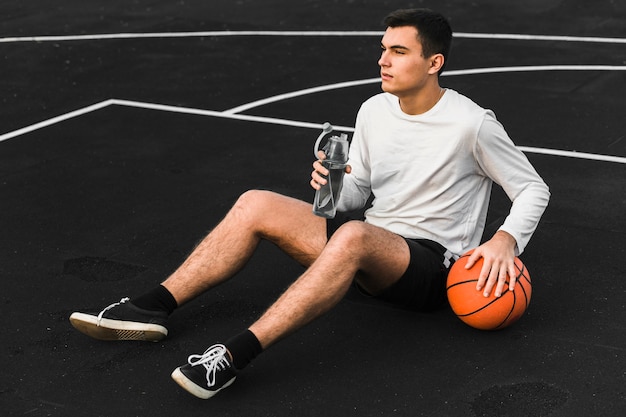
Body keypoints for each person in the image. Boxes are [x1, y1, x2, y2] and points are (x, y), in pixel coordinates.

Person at [69, 8, 550, 400]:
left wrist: (505, 240)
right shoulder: (373, 110)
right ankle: (150, 309)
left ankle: (232, 358)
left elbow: (533, 188)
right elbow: (359, 195)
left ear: (433, 63)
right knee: (256, 201)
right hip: (369, 246)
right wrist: (335, 183)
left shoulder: (471, 123)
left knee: (354, 235)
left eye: (398, 51)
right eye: (383, 49)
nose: (383, 60)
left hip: (431, 266)